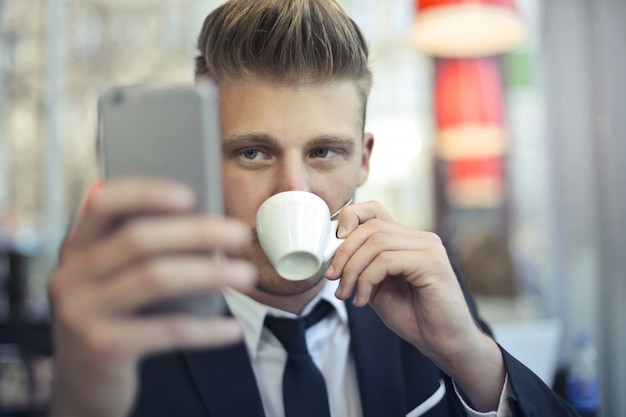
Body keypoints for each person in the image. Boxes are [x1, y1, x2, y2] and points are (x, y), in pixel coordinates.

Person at [47, 1, 579, 416]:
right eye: (252, 152)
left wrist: (471, 357)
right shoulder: (133, 335)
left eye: (324, 152)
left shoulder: (430, 295)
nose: (290, 189)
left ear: (363, 160)